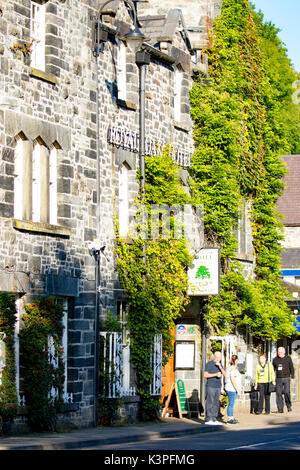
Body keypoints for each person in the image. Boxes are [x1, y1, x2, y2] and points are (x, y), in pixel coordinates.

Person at [204, 351, 226, 425]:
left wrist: (220, 367)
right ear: (214, 357)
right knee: (210, 401)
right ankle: (208, 418)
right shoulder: (209, 364)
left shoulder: (220, 365)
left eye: (219, 357)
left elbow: (225, 374)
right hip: (211, 385)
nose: (218, 359)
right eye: (217, 357)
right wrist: (215, 374)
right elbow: (205, 375)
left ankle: (214, 418)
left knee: (216, 402)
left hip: (218, 386)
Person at [273, 346, 294, 413]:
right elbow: (272, 370)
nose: (280, 353)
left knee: (286, 392)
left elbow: (292, 368)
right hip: (278, 378)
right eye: (279, 352)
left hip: (287, 377)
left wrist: (292, 377)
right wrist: (273, 379)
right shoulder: (275, 359)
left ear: (284, 352)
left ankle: (288, 406)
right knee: (278, 393)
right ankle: (280, 408)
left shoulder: (288, 358)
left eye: (281, 352)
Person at [224, 354, 242, 424]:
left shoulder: (228, 367)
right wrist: (237, 389)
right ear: (236, 360)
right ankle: (230, 418)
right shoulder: (233, 368)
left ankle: (231, 417)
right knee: (231, 403)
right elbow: (233, 379)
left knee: (231, 403)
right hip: (231, 388)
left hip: (229, 387)